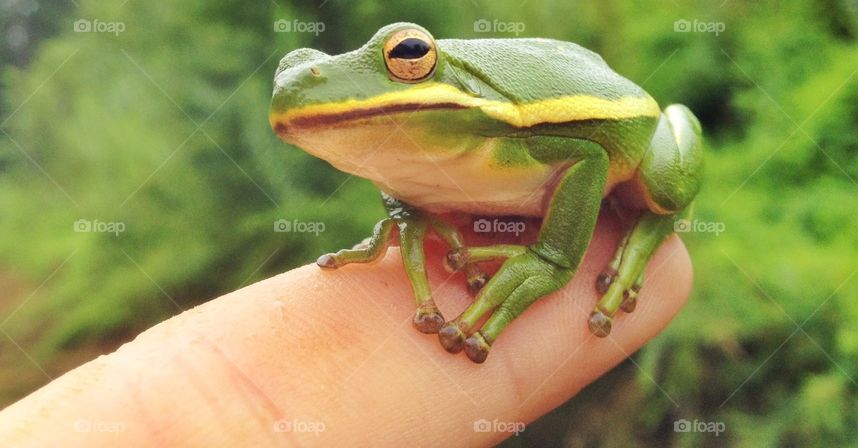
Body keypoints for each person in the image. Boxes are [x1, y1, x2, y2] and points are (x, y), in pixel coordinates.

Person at [0, 214, 691, 446]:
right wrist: (403, 211)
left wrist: (550, 254)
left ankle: (641, 234)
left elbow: (587, 153)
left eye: (406, 56)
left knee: (657, 172)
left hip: (606, 135)